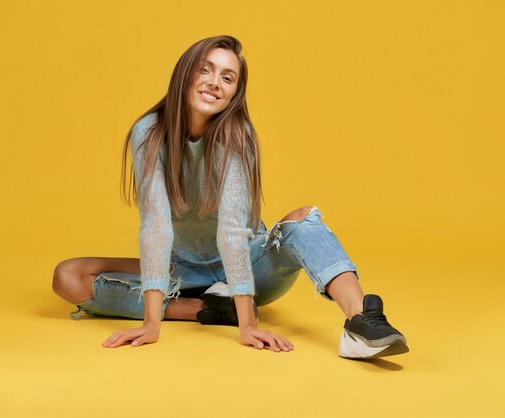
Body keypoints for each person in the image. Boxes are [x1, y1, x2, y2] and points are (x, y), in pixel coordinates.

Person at [52, 35, 409, 359]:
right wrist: (151, 324)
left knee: (303, 219)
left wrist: (247, 325)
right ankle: (200, 309)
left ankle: (362, 321)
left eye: (227, 77)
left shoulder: (238, 136)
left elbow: (233, 231)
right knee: (68, 276)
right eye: (205, 70)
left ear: (235, 92)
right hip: (184, 270)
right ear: (184, 75)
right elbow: (156, 224)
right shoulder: (148, 132)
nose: (214, 83)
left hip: (248, 267)